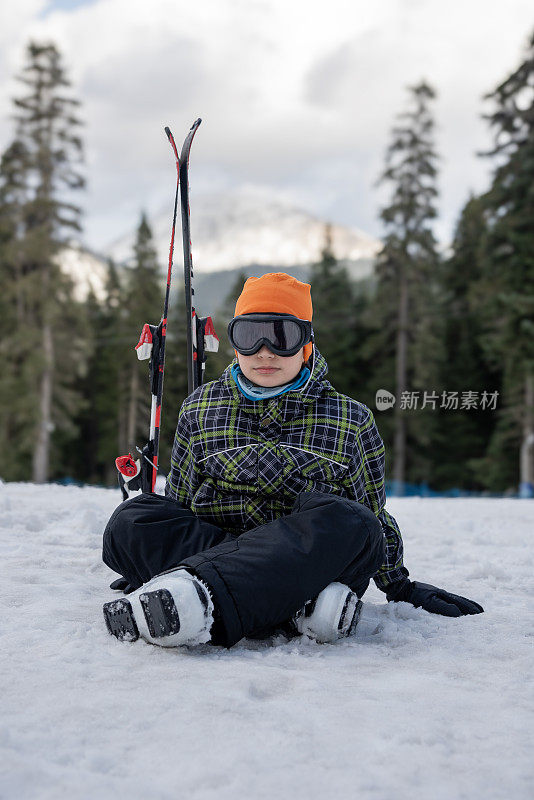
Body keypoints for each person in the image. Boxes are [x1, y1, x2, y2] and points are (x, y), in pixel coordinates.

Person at [102, 272, 483, 648]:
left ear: (307, 344)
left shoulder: (349, 419)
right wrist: (151, 551)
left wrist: (400, 585)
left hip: (308, 563)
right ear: (235, 343)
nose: (265, 351)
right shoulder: (201, 409)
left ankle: (191, 597)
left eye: (283, 336)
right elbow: (180, 503)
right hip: (228, 548)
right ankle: (298, 609)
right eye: (250, 336)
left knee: (354, 522)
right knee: (132, 519)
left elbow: (370, 517)